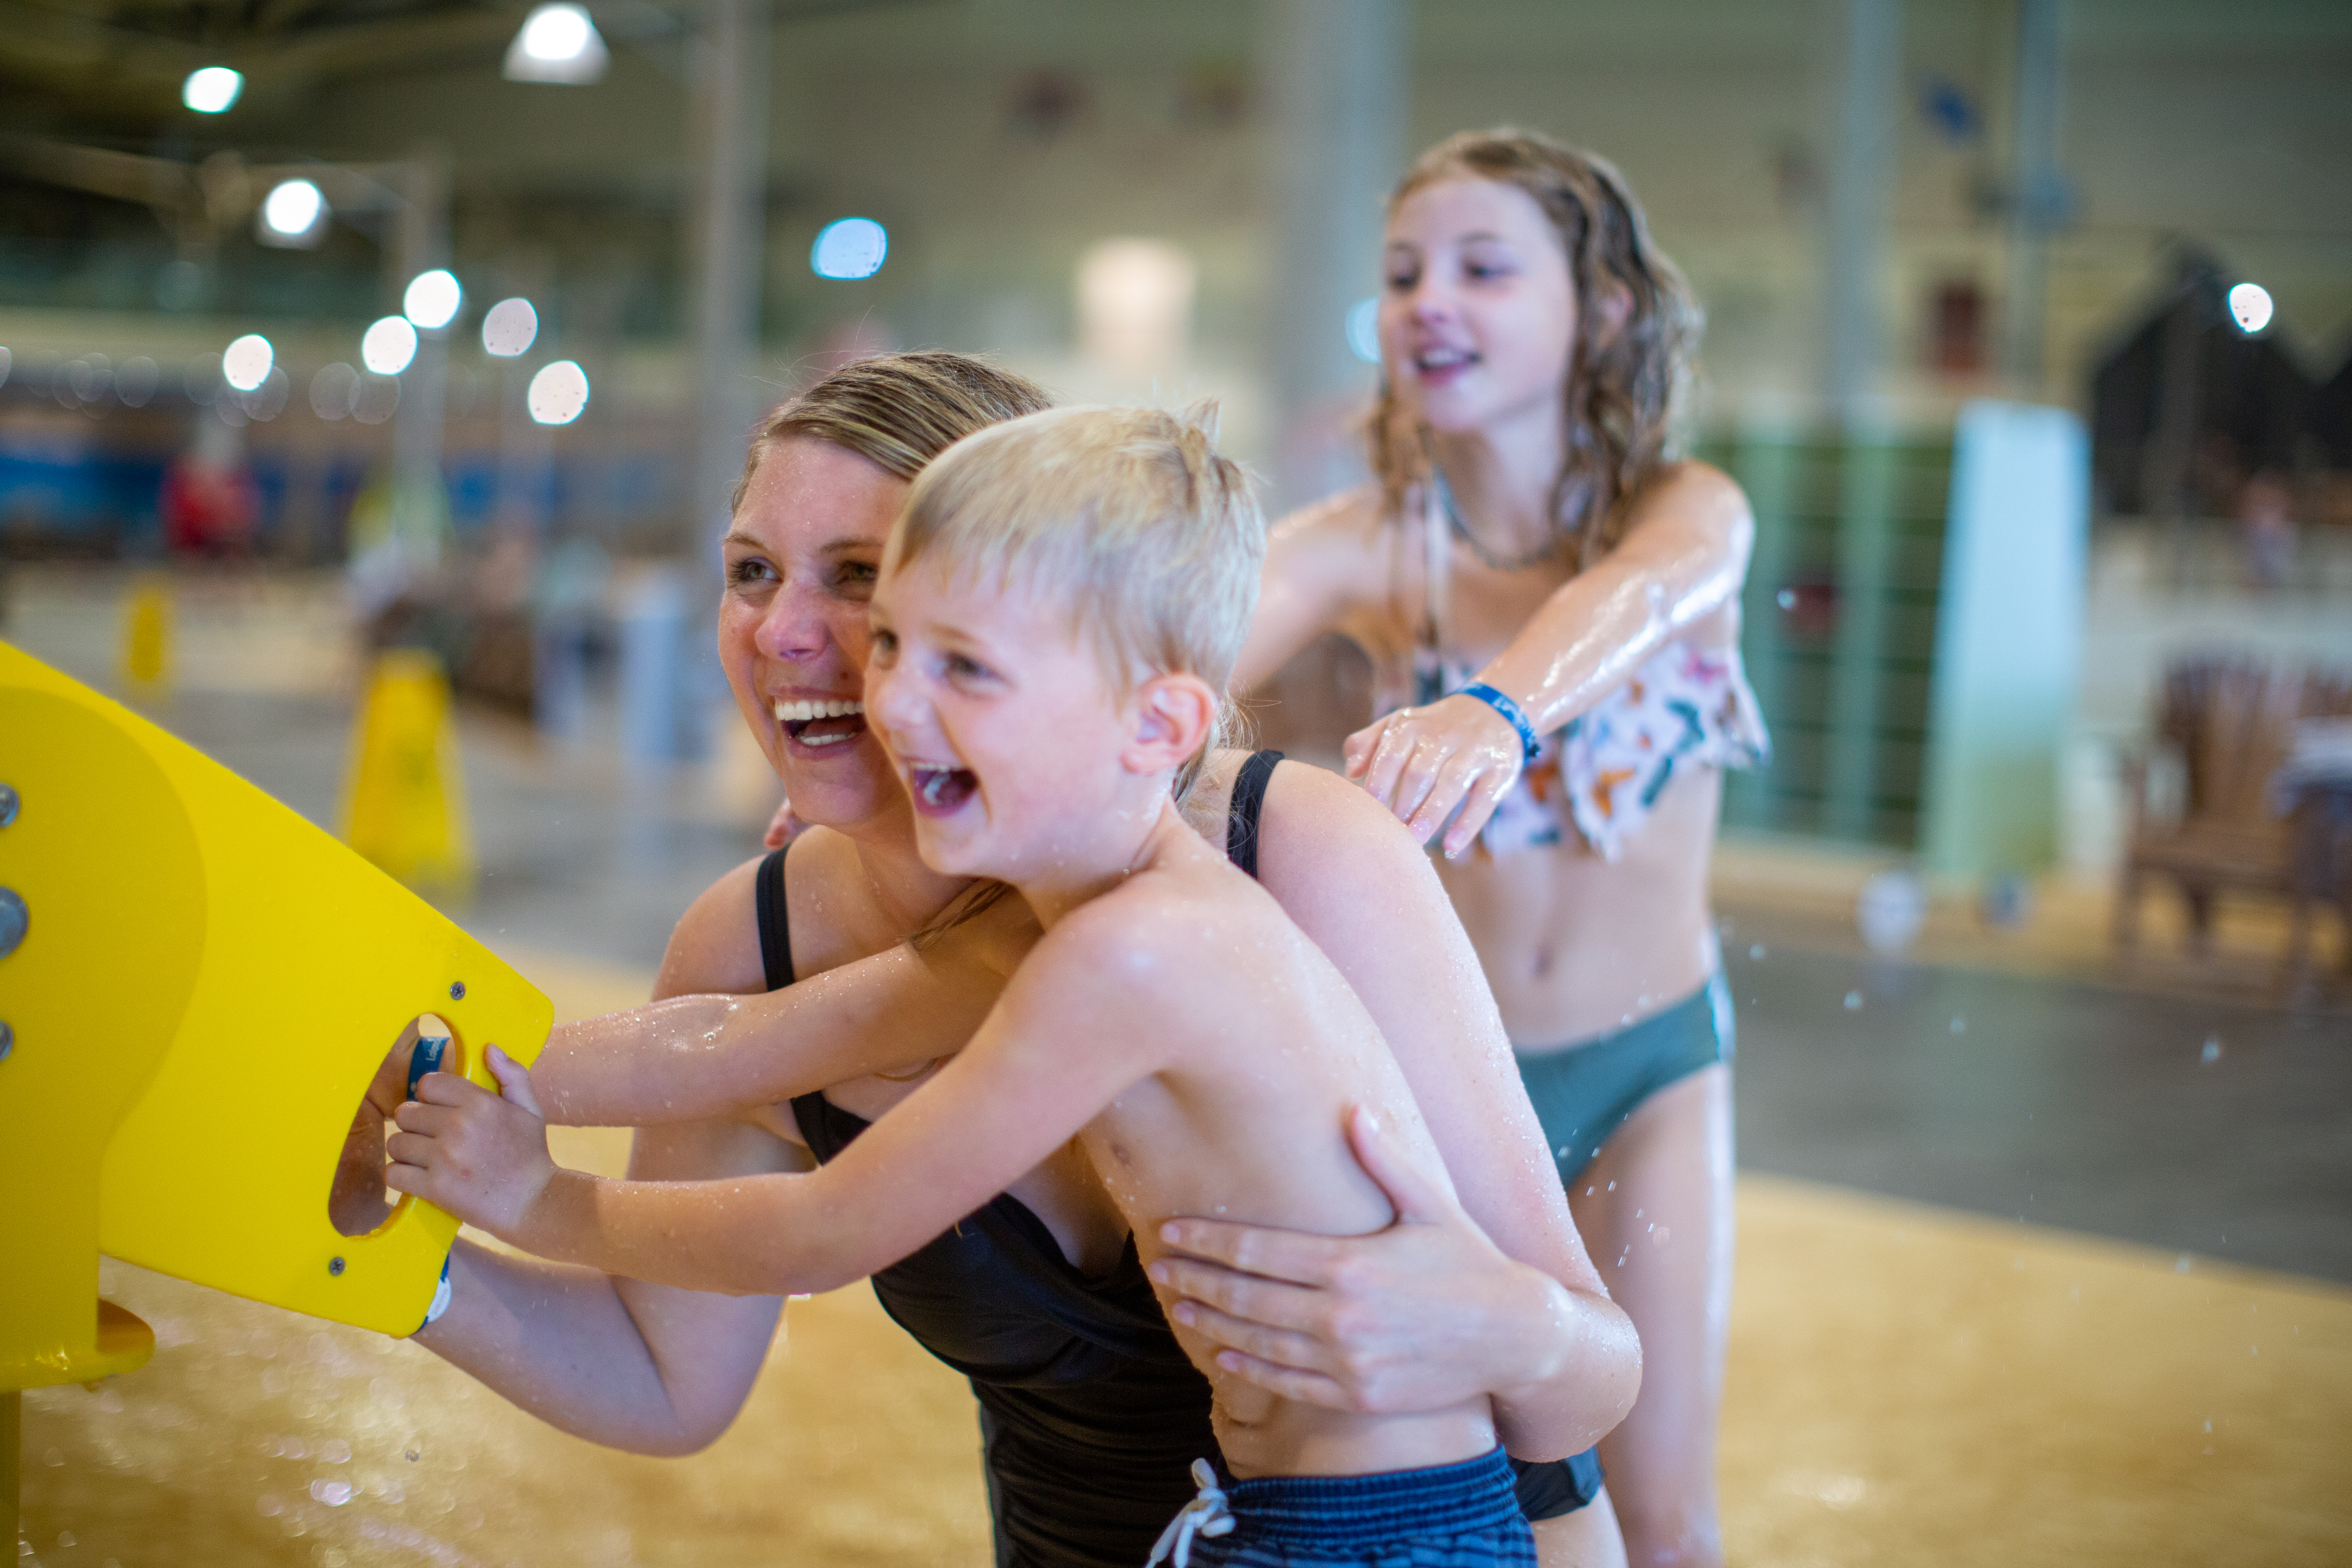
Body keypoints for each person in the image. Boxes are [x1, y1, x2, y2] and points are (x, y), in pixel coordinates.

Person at [343, 352, 1637, 1568]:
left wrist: (1503, 1324)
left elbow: (828, 1218)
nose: (796, 636)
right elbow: (731, 1120)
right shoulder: (772, 940)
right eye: (751, 572)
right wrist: (405, 1097)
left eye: (863, 582)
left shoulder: (1255, 880)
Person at [1233, 131, 1765, 1568]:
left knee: (1662, 1515)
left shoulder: (1689, 509)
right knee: (1508, 1505)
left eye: (1482, 267)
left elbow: (1652, 595)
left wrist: (1497, 708)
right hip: (1453, 1089)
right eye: (1404, 274)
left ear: (1599, 313)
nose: (1427, 302)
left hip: (1654, 1061)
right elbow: (1177, 645)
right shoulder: (1371, 550)